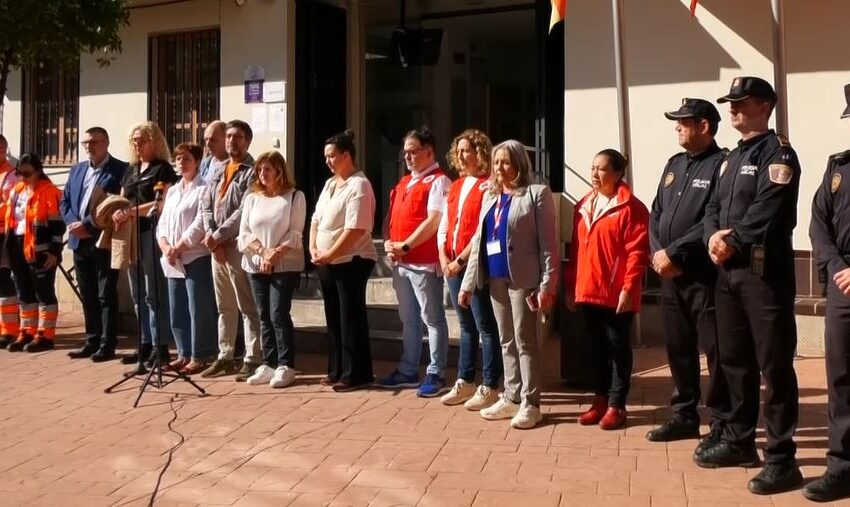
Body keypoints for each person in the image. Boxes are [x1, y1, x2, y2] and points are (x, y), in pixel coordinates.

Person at [697, 76, 802, 495]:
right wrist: (710, 238)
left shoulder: (779, 154)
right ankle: (739, 440)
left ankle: (782, 457)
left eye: (741, 102)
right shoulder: (729, 159)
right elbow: (714, 207)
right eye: (731, 103)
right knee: (734, 359)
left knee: (774, 365)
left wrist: (732, 241)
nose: (733, 109)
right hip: (727, 273)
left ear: (765, 106)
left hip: (762, 275)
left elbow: (768, 210)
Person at [646, 100, 731, 443]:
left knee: (716, 350)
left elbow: (715, 219)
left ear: (704, 126)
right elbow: (656, 213)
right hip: (670, 273)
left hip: (703, 275)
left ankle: (722, 422)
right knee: (678, 347)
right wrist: (657, 253)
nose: (677, 127)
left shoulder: (722, 165)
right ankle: (684, 415)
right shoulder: (674, 164)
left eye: (683, 121)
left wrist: (675, 252)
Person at [459, 139, 558, 429]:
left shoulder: (535, 194)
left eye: (505, 161)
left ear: (519, 163)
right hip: (496, 278)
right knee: (506, 340)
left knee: (525, 341)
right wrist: (467, 284)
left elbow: (548, 246)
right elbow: (479, 241)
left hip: (523, 280)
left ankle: (531, 402)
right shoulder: (490, 197)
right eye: (496, 162)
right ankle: (512, 395)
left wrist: (547, 285)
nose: (499, 168)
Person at [565, 149, 650, 431]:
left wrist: (629, 287)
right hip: (588, 291)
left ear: (617, 173)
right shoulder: (583, 206)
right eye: (592, 168)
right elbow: (576, 252)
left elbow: (637, 252)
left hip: (616, 294)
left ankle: (617, 405)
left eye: (602, 169)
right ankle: (600, 400)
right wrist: (570, 286)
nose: (595, 174)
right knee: (596, 350)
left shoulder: (631, 208)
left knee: (618, 349)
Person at [379, 127, 451, 397]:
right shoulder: (404, 182)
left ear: (428, 151)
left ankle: (436, 372)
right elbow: (390, 218)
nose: (407, 157)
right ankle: (408, 369)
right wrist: (387, 241)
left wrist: (406, 245)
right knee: (408, 320)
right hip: (401, 263)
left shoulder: (439, 181)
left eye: (412, 151)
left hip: (423, 262)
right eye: (405, 152)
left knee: (432, 318)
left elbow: (434, 221)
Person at [804, 83, 850, 503]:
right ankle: (842, 467)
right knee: (840, 380)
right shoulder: (839, 168)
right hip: (844, 289)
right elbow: (819, 226)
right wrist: (838, 268)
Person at [438, 129, 502, 410]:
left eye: (468, 150)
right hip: (450, 263)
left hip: (473, 264)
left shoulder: (488, 186)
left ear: (480, 153)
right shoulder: (455, 186)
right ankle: (465, 380)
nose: (462, 156)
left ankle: (490, 384)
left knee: (485, 326)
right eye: (459, 150)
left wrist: (460, 261)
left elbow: (480, 230)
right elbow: (445, 223)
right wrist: (442, 256)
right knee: (465, 326)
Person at [310, 130, 378, 392]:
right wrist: (314, 247)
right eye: (326, 156)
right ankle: (336, 368)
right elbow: (316, 219)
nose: (328, 161)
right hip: (327, 260)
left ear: (347, 155)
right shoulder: (330, 184)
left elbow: (356, 228)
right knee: (333, 316)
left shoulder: (359, 184)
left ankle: (356, 374)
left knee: (350, 317)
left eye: (333, 156)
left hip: (352, 259)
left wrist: (332, 254)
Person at [198, 120, 263, 381]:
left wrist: (217, 236)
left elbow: (243, 210)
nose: (231, 142)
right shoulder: (219, 168)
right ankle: (225, 356)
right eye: (228, 137)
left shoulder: (253, 170)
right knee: (224, 305)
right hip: (217, 247)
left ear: (247, 141)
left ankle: (252, 357)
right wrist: (210, 236)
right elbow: (206, 203)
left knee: (246, 305)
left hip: (237, 246)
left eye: (237, 137)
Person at [113, 122, 178, 373]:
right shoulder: (130, 170)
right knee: (137, 293)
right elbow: (121, 198)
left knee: (154, 294)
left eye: (142, 140)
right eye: (134, 141)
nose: (137, 145)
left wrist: (130, 211)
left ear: (155, 141)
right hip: (129, 235)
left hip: (151, 233)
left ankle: (160, 347)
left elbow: (160, 205)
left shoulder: (163, 170)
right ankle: (144, 343)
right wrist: (118, 211)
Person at [238, 150, 305, 388]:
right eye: (260, 169)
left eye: (268, 169)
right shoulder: (252, 198)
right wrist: (262, 252)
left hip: (285, 265)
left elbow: (295, 234)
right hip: (256, 264)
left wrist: (274, 254)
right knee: (263, 314)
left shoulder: (294, 197)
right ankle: (268, 362)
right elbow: (244, 234)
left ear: (279, 171)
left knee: (278, 313)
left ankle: (286, 365)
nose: (262, 174)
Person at [62, 127, 128, 362]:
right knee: (87, 293)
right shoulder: (78, 169)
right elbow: (66, 200)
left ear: (106, 143)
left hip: (102, 239)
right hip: (78, 240)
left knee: (105, 293)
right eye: (86, 143)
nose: (90, 147)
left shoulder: (120, 169)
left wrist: (87, 225)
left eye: (95, 142)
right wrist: (73, 224)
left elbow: (117, 204)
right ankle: (91, 340)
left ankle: (107, 344)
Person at [156, 143, 217, 375]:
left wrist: (180, 246)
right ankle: (183, 353)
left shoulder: (204, 188)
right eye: (178, 158)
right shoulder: (172, 191)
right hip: (171, 258)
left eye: (187, 158)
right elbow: (162, 223)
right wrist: (165, 247)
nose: (181, 163)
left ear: (198, 162)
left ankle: (200, 354)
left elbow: (201, 223)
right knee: (176, 308)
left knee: (197, 307)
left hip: (194, 256)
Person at [3, 154, 65, 352]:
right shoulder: (17, 190)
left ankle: (45, 335)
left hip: (40, 249)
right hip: (17, 245)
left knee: (43, 292)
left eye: (27, 174)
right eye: (20, 173)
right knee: (24, 292)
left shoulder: (50, 192)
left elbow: (57, 226)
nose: (23, 178)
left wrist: (54, 252)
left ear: (38, 171)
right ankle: (27, 331)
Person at [0, 135, 21, 349]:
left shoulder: (12, 174)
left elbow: (13, 205)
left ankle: (9, 331)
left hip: (4, 234)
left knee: (4, 281)